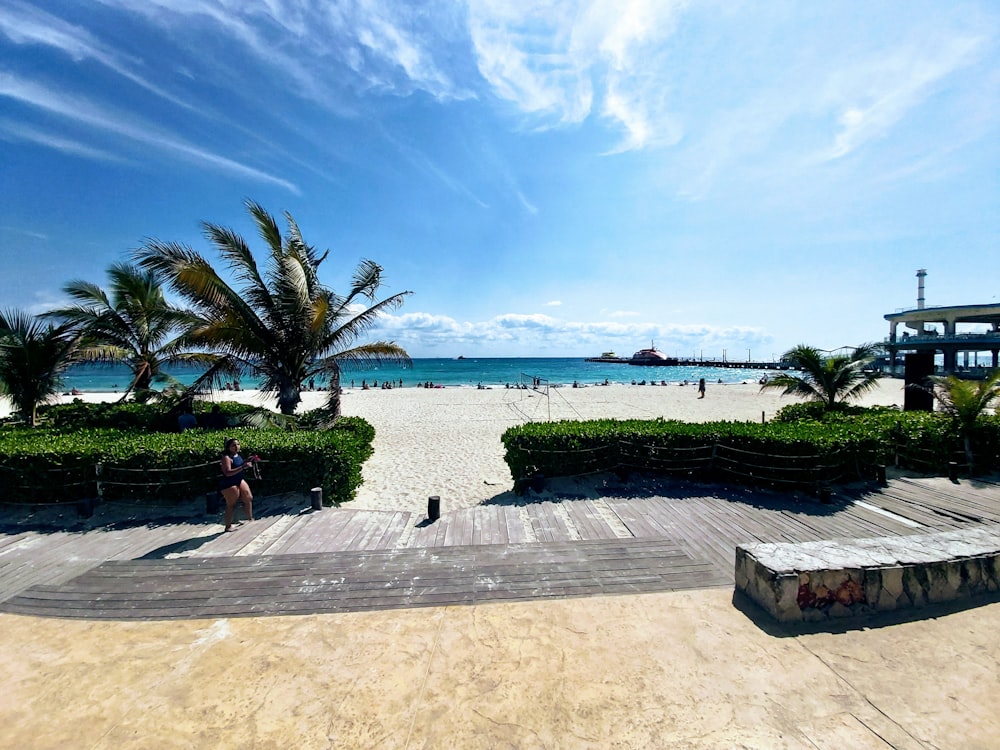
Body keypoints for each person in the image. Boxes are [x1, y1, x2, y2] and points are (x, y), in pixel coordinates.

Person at [219, 437, 256, 532]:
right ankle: (228, 526)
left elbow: (239, 464)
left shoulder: (237, 455)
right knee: (231, 504)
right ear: (228, 447)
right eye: (233, 445)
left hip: (239, 480)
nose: (236, 447)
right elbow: (227, 472)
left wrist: (248, 460)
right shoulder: (226, 457)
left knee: (248, 497)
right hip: (229, 483)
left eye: (238, 444)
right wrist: (243, 467)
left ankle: (250, 519)